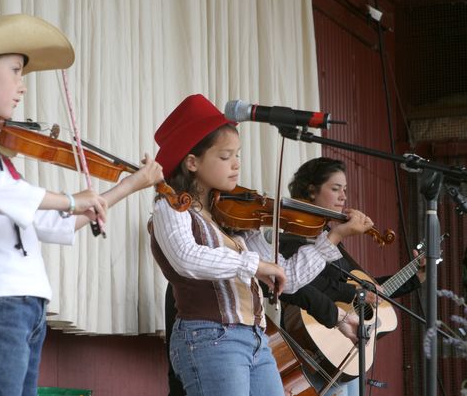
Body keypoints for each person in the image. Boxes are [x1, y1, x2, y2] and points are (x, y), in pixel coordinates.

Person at [0, 12, 163, 396]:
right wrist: (73, 199)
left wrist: (129, 186)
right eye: (16, 70)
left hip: (23, 305)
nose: (22, 87)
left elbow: (49, 222)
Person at [149, 94, 374, 396]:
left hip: (255, 338)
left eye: (238, 155)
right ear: (192, 162)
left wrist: (332, 237)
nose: (236, 165)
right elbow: (187, 258)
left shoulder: (234, 218)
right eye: (225, 156)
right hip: (209, 338)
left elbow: (289, 278)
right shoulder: (171, 207)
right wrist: (253, 264)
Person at [278, 156, 425, 396]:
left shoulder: (329, 235)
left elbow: (369, 290)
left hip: (346, 345)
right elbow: (306, 282)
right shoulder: (295, 235)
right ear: (311, 190)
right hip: (313, 340)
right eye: (335, 189)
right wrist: (357, 291)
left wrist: (416, 277)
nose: (343, 197)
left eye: (345, 190)